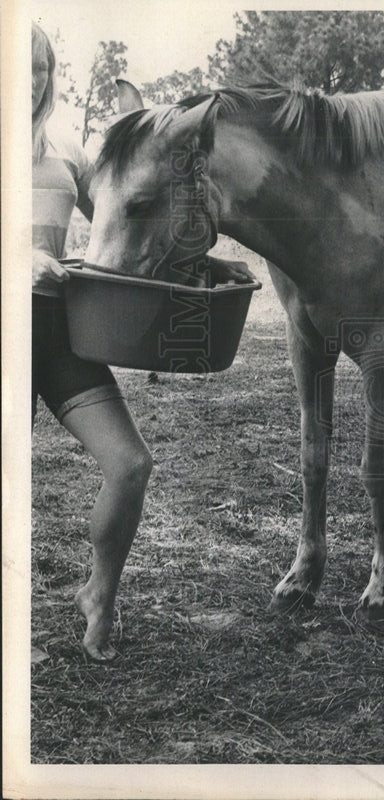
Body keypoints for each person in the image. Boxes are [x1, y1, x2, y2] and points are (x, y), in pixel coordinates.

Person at [31, 22, 153, 661]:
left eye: (40, 70)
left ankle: (99, 594)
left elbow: (117, 216)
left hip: (57, 330)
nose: (28, 84)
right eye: (15, 69)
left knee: (130, 465)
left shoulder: (66, 152)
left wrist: (199, 264)